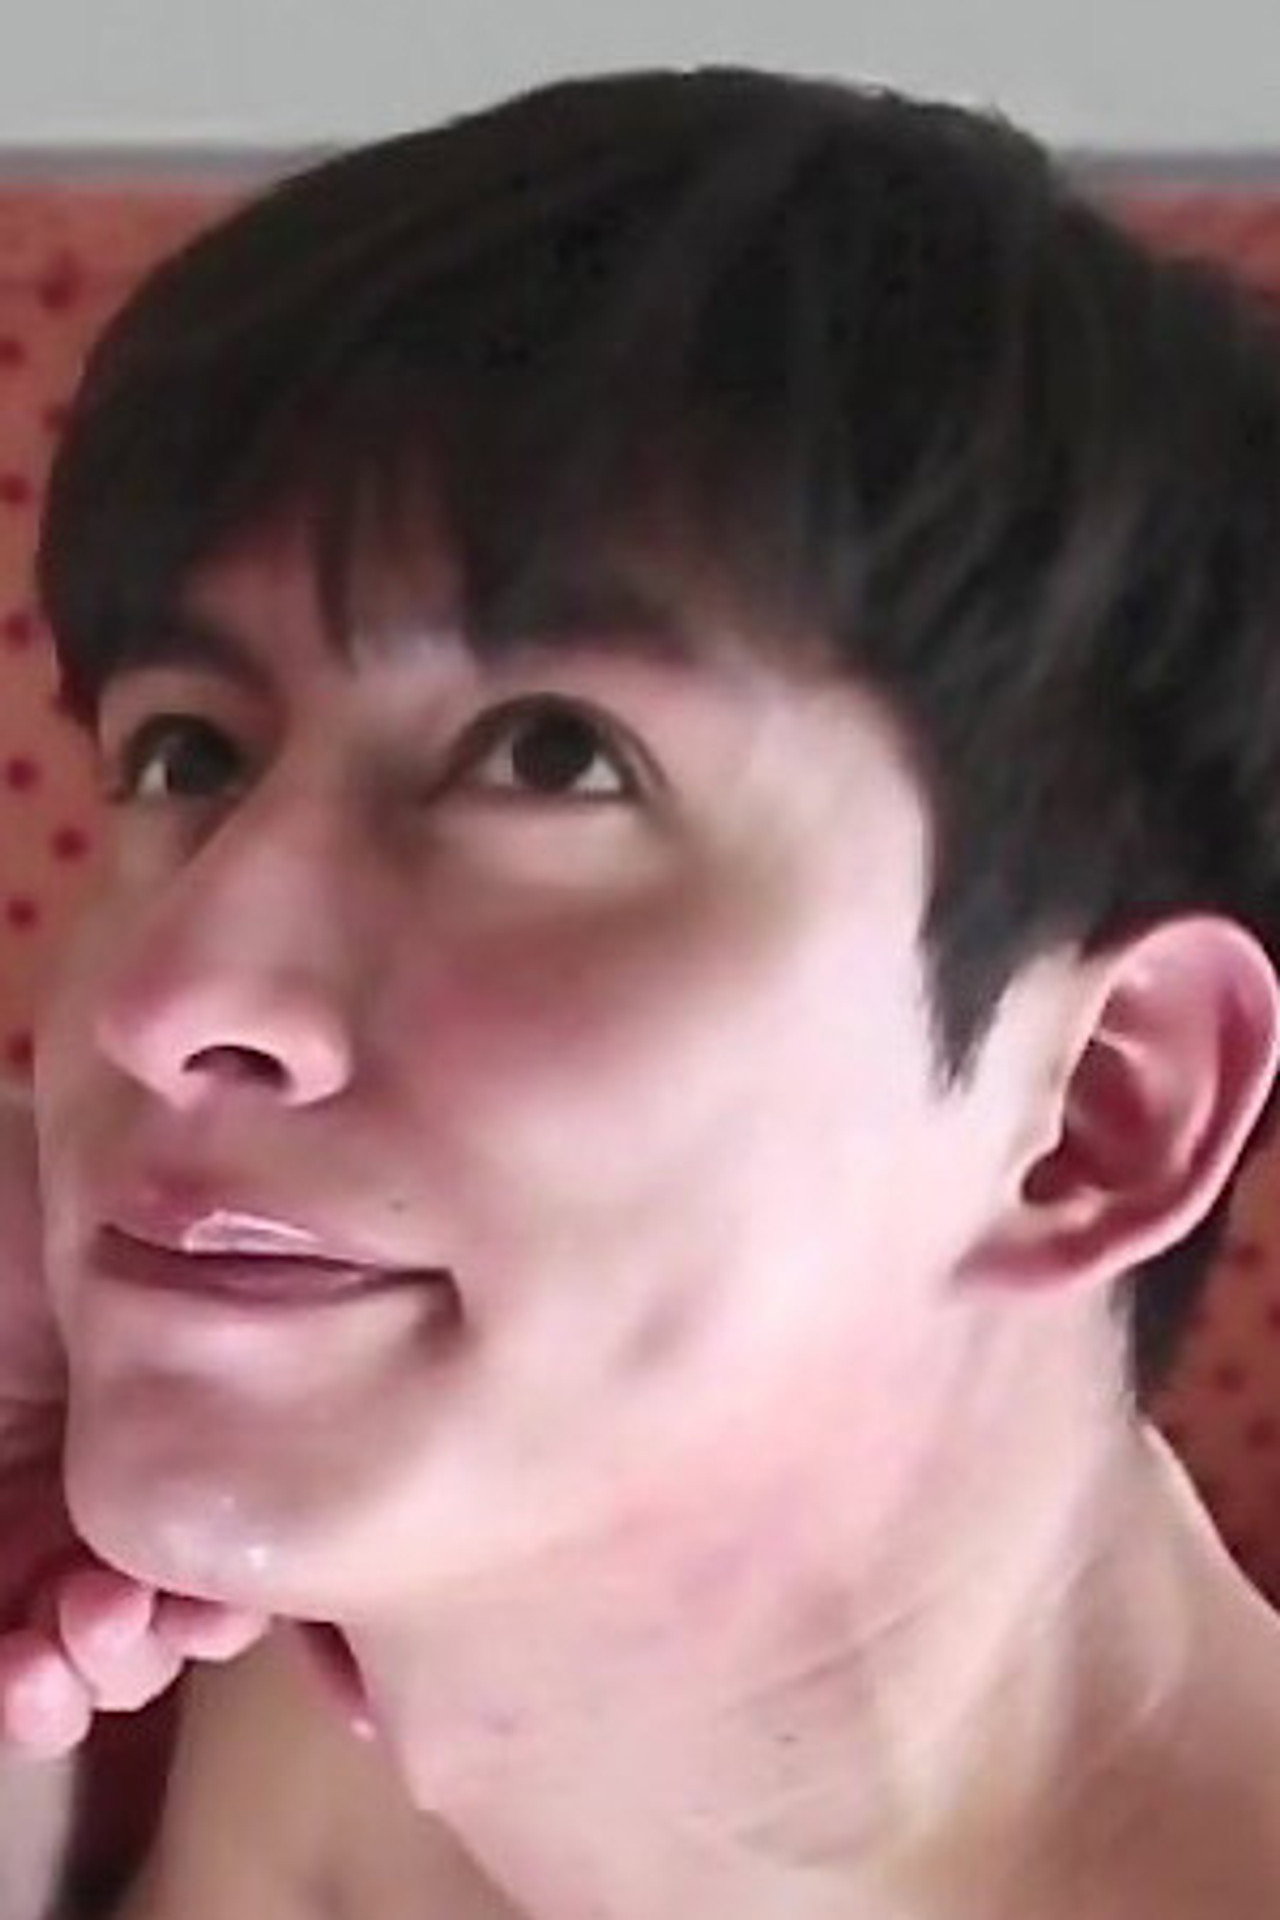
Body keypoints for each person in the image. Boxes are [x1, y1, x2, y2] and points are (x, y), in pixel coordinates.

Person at [5, 63, 1280, 1918]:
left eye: (552, 759)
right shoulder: (367, 1678)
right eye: (186, 753)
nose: (172, 993)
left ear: (1097, 1109)